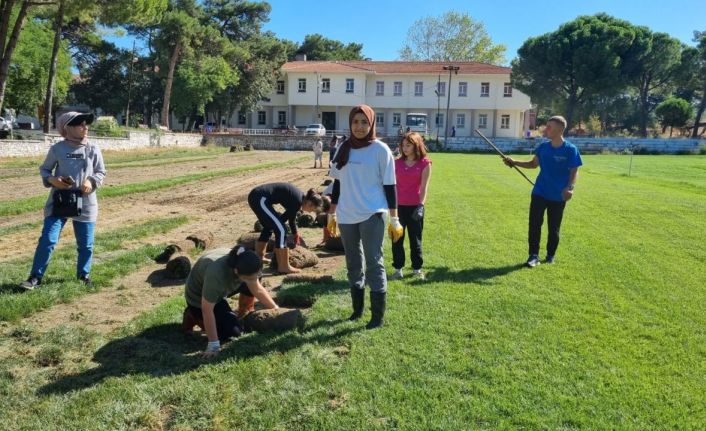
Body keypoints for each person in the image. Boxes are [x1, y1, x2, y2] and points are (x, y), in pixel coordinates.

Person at [329, 105, 402, 329]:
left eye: (364, 122)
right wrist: (332, 213)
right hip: (347, 215)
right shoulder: (343, 148)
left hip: (372, 213)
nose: (359, 126)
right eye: (355, 122)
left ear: (371, 124)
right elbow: (337, 184)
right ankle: (357, 310)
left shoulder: (381, 150)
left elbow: (390, 186)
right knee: (353, 263)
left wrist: (394, 218)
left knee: (373, 262)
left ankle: (377, 317)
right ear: (350, 124)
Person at [20, 112, 106, 290]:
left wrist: (91, 181)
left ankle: (84, 274)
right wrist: (53, 180)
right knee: (48, 240)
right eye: (81, 124)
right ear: (68, 128)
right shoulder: (57, 149)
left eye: (86, 124)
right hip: (59, 201)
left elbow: (100, 172)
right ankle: (35, 277)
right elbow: (45, 170)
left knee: (86, 244)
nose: (86, 127)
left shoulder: (93, 148)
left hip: (86, 202)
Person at [503, 115, 582, 267]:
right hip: (539, 192)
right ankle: (533, 255)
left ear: (559, 130)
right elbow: (533, 164)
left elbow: (574, 172)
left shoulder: (571, 150)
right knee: (534, 224)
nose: (546, 129)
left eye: (550, 127)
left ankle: (550, 255)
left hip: (558, 195)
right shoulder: (543, 147)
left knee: (554, 228)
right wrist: (514, 162)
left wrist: (570, 188)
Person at [182, 245, 278, 357]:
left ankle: (244, 313)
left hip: (226, 286)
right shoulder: (216, 275)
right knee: (231, 333)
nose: (253, 281)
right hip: (198, 298)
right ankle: (192, 315)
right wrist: (213, 345)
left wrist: (275, 309)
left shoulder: (244, 261)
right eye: (249, 278)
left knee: (253, 279)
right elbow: (207, 310)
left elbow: (256, 287)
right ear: (236, 271)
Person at [248, 183, 323, 274]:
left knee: (270, 226)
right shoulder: (297, 200)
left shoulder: (299, 199)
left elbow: (288, 218)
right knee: (281, 229)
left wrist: (295, 233)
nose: (311, 212)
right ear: (309, 203)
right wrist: (280, 227)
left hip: (257, 197)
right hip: (260, 198)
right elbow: (283, 220)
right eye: (313, 209)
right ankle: (283, 266)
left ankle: (259, 257)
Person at [390, 132, 432, 281]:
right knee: (397, 240)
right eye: (403, 145)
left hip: (415, 207)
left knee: (416, 240)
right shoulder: (396, 163)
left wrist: (420, 206)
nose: (405, 148)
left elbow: (424, 187)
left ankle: (417, 269)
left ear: (416, 146)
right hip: (398, 208)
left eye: (408, 145)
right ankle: (398, 269)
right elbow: (391, 186)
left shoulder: (425, 164)